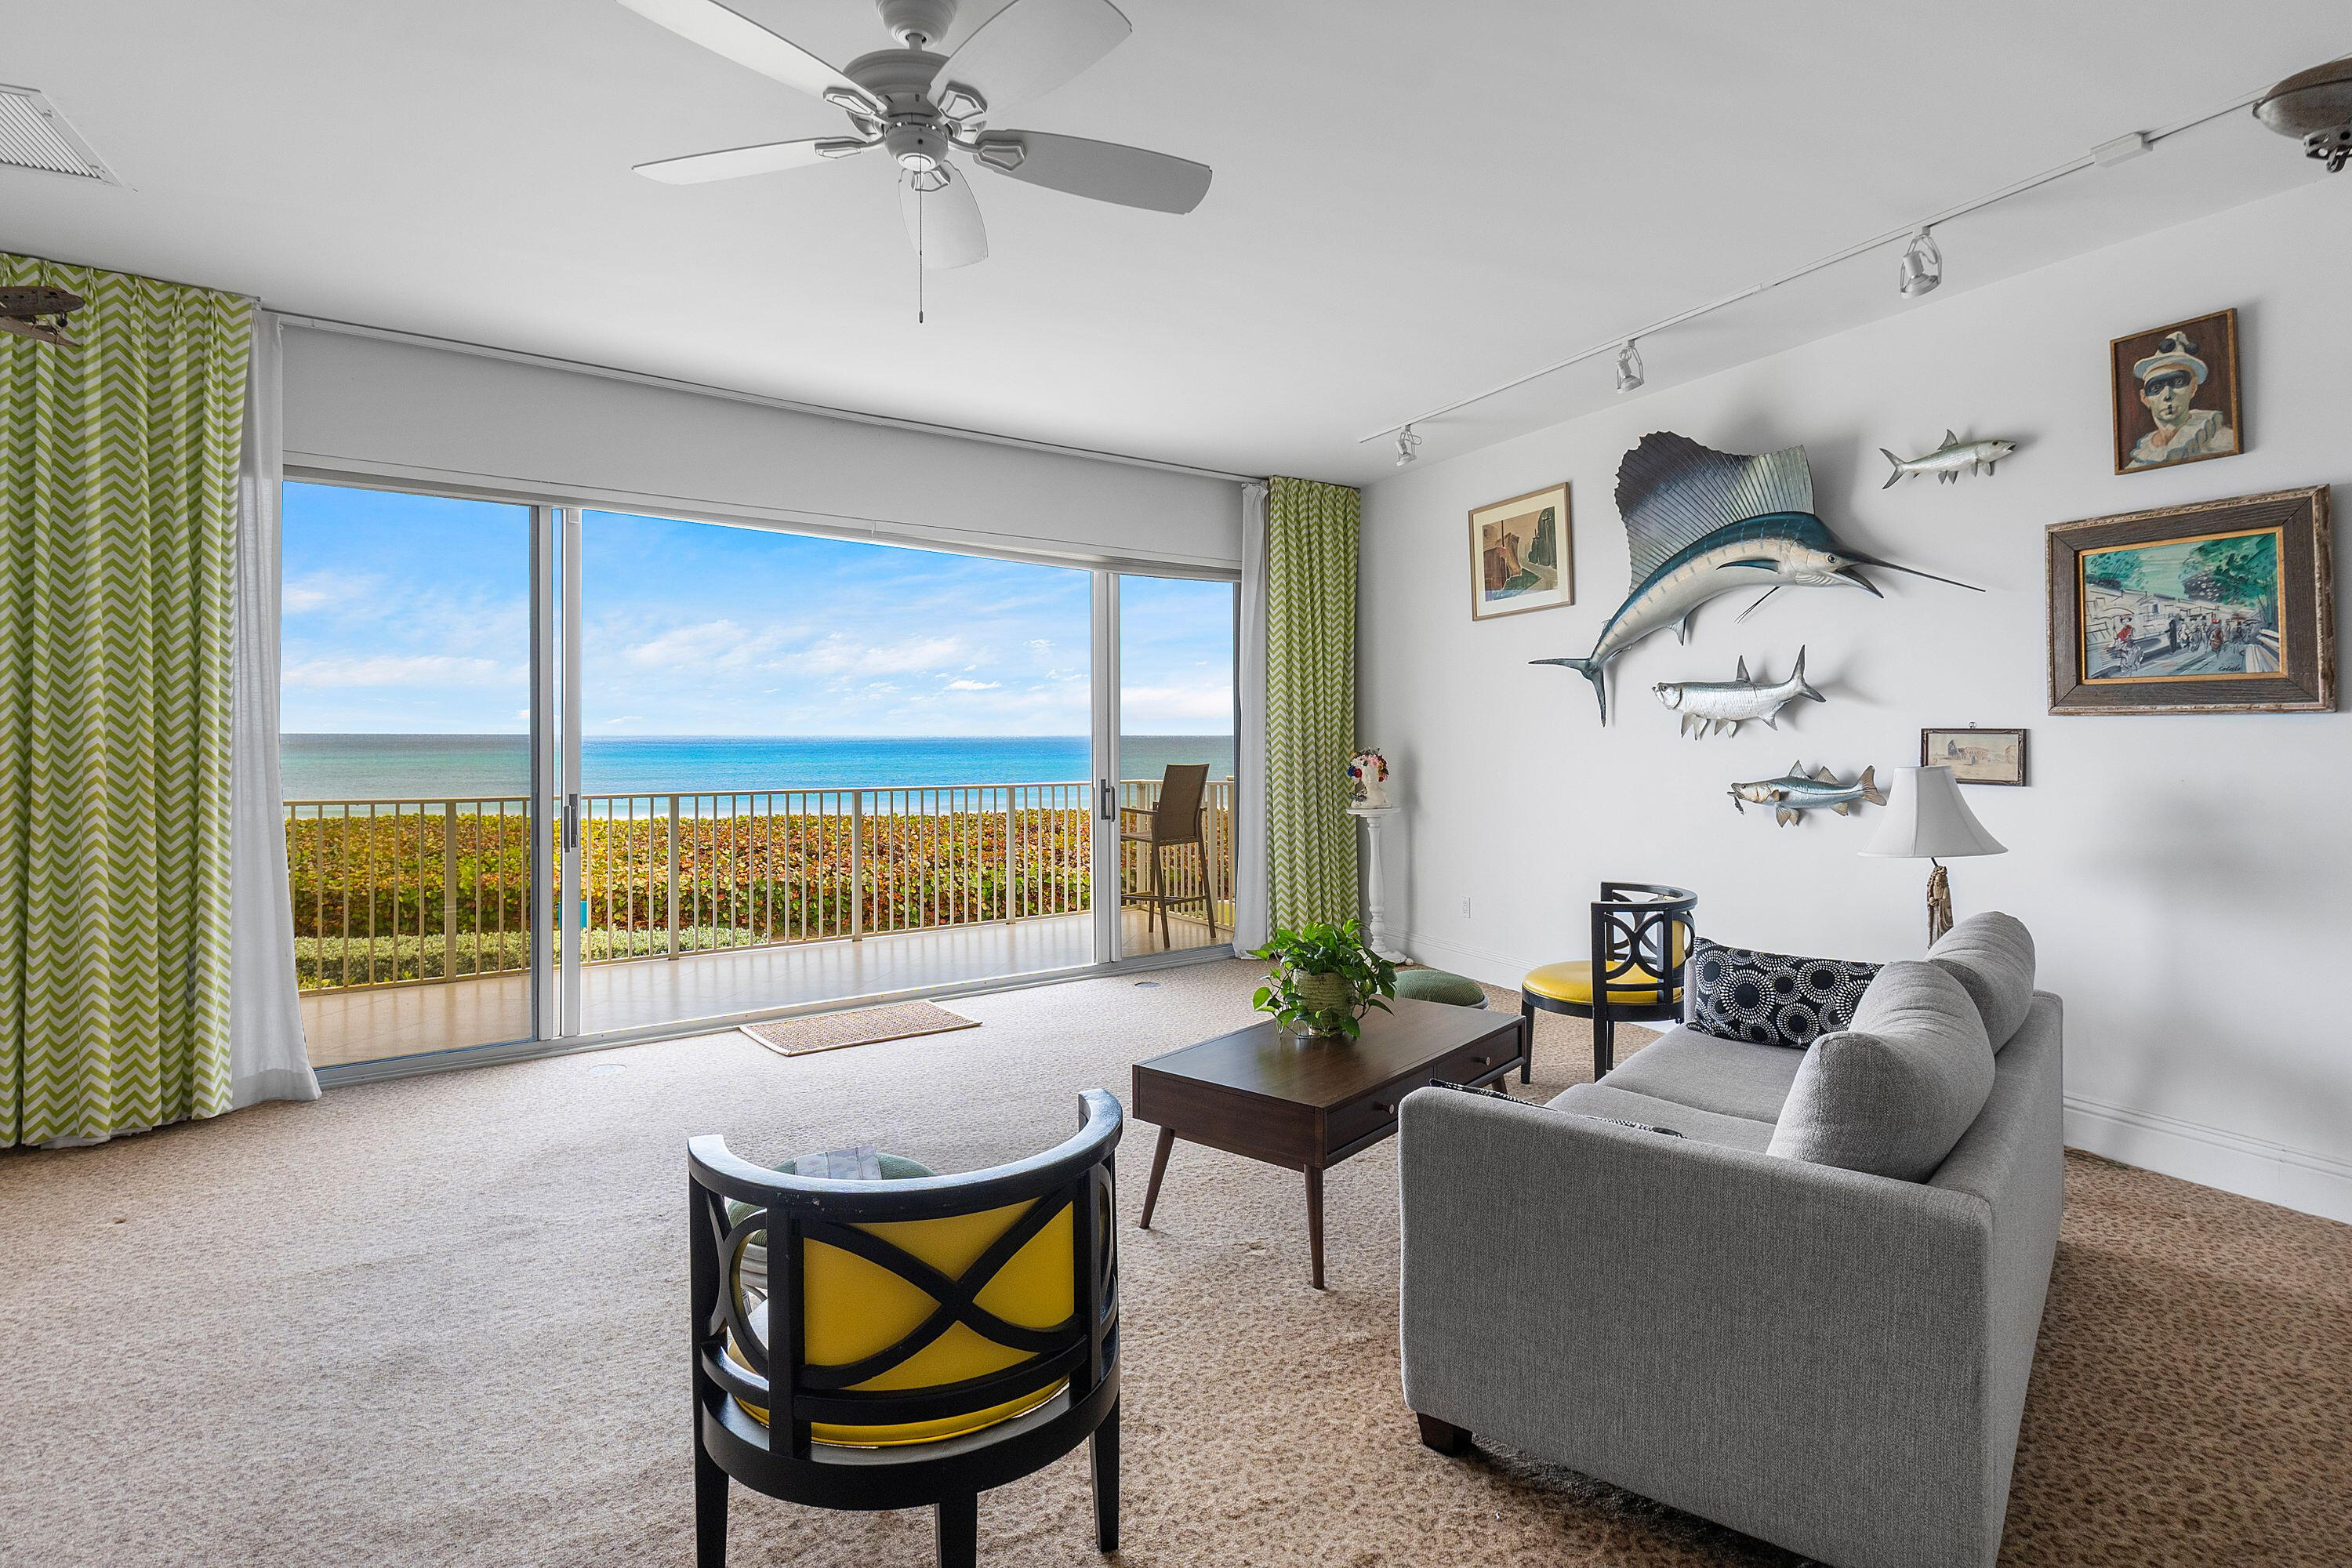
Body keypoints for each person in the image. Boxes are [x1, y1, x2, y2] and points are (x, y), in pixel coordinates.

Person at [2126, 330, 2238, 470]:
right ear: (2145, 398)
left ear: (2193, 388)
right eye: (2156, 387)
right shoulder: (2140, 460)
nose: (2167, 395)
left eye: (2178, 381)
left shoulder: (2223, 441)